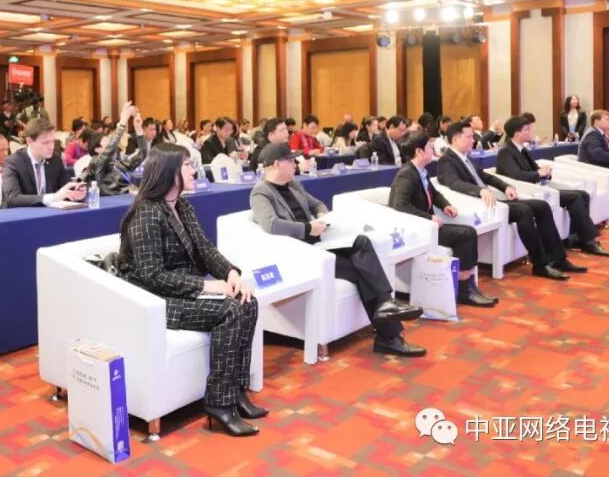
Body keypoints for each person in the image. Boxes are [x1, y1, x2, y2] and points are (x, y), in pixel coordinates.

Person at [117, 143, 264, 436]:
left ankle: (235, 390)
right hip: (156, 299)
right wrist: (207, 285)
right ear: (169, 171)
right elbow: (152, 276)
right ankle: (219, 403)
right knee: (230, 310)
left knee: (248, 301)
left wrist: (231, 273)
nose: (194, 171)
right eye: (187, 165)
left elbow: (205, 249)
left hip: (181, 291)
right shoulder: (146, 213)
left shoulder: (182, 206)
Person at [251, 142, 425, 357]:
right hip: (301, 253)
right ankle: (389, 332)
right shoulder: (261, 192)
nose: (295, 164)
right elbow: (272, 225)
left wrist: (322, 215)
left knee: (362, 242)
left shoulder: (293, 185)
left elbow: (317, 204)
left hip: (320, 245)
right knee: (363, 272)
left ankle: (387, 315)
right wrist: (307, 227)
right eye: (290, 160)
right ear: (276, 164)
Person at [437, 121, 584, 281]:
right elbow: (454, 183)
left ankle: (557, 258)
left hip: (492, 202)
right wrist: (480, 190)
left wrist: (505, 186)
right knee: (523, 210)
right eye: (469, 137)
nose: (473, 140)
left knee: (542, 206)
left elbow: (485, 176)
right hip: (479, 206)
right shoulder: (447, 161)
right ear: (455, 139)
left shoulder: (465, 157)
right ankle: (540, 264)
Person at [388, 133, 498, 308]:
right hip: (419, 230)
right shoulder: (406, 175)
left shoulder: (420, 171)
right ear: (419, 151)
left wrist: (445, 205)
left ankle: (466, 284)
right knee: (466, 234)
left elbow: (434, 194)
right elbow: (400, 205)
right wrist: (429, 217)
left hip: (429, 227)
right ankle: (464, 288)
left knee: (467, 232)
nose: (433, 150)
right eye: (429, 147)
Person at [497, 116, 609, 257]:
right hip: (527, 192)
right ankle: (589, 242)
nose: (531, 131)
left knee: (583, 194)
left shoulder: (521, 149)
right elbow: (516, 175)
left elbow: (534, 169)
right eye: (527, 129)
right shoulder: (506, 151)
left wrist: (545, 172)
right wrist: (538, 173)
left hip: (538, 187)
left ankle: (576, 237)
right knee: (574, 197)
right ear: (517, 133)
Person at [1, 118, 86, 207]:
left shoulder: (55, 160)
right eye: (45, 143)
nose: (51, 147)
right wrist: (54, 197)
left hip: (48, 213)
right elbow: (13, 199)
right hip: (18, 214)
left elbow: (65, 189)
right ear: (29, 141)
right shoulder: (13, 163)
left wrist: (76, 192)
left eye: (53, 141)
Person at [82, 103, 148, 196]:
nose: (109, 140)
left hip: (126, 200)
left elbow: (142, 154)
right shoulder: (96, 163)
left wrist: (138, 128)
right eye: (105, 140)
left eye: (109, 139)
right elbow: (111, 148)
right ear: (97, 149)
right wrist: (123, 121)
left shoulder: (117, 162)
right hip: (110, 202)